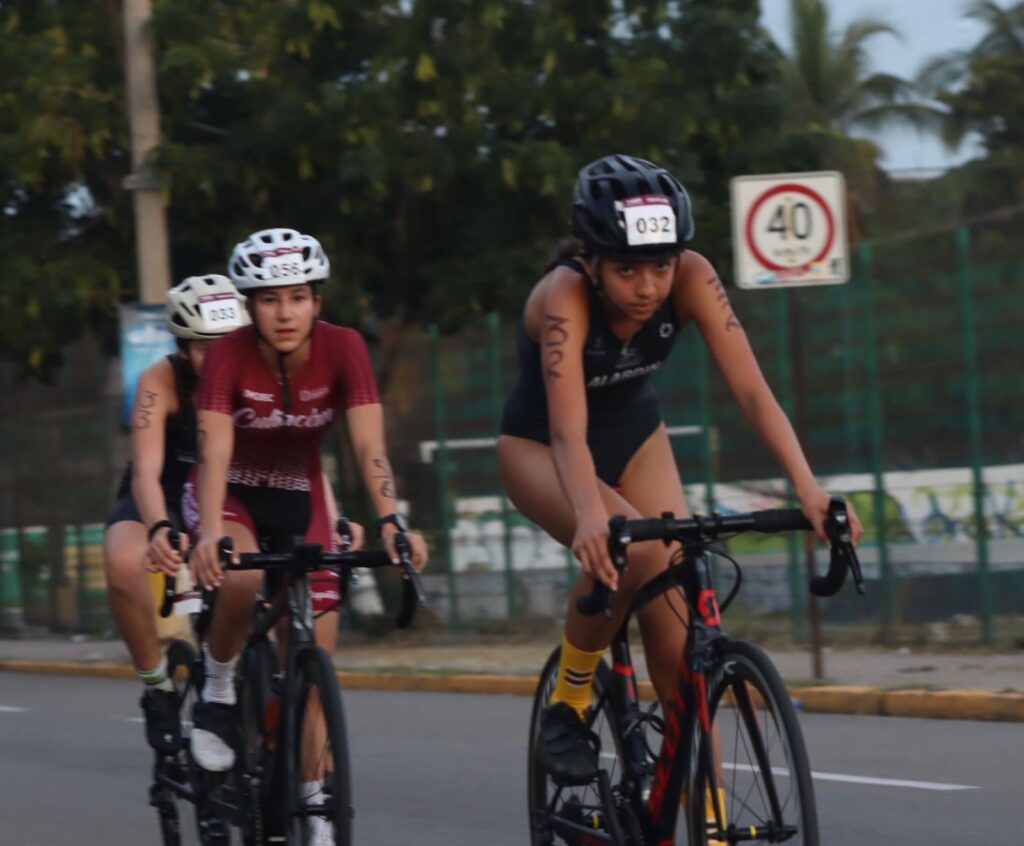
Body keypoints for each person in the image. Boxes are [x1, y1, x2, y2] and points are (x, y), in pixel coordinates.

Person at [498, 154, 863, 790]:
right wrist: (589, 512)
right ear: (591, 259)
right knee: (630, 547)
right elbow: (567, 433)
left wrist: (809, 489)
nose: (648, 287)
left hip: (637, 436)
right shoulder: (564, 296)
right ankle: (571, 699)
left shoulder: (694, 275)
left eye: (661, 266)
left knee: (678, 650)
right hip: (541, 447)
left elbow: (751, 392)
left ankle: (708, 819)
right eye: (627, 269)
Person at [184, 227, 429, 781]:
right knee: (242, 577)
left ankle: (317, 814)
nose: (285, 313)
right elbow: (214, 451)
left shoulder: (346, 348)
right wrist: (209, 534)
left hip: (300, 494)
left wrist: (391, 522)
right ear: (250, 307)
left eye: (298, 297)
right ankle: (218, 690)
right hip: (231, 493)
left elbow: (369, 447)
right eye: (269, 299)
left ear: (317, 302)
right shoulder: (226, 355)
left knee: (315, 669)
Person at [103, 274, 249, 754]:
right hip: (162, 492)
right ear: (183, 350)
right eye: (205, 349)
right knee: (122, 561)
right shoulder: (160, 380)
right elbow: (145, 472)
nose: (220, 360)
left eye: (229, 346)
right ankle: (157, 687)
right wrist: (160, 527)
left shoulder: (259, 378)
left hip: (229, 496)